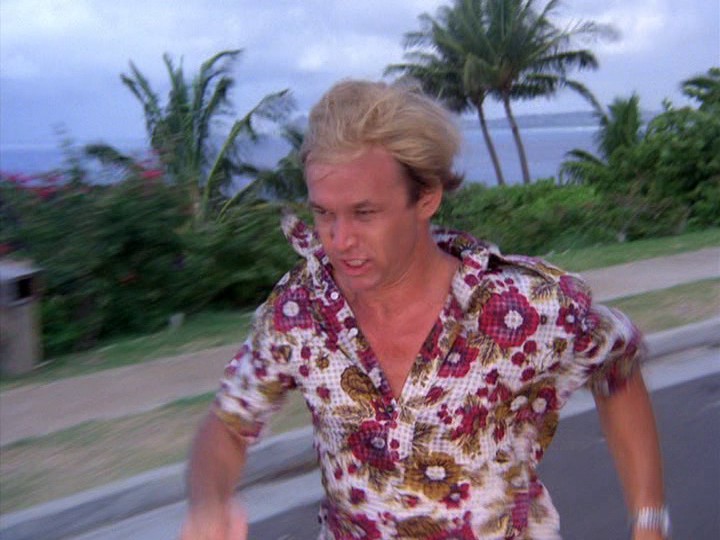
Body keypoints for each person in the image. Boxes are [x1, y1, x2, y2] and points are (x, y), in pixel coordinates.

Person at [180, 80, 668, 540]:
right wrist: (209, 501)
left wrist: (649, 520)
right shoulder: (300, 310)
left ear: (427, 197)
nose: (339, 240)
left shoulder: (518, 308)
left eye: (364, 213)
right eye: (323, 212)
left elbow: (616, 365)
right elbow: (228, 424)